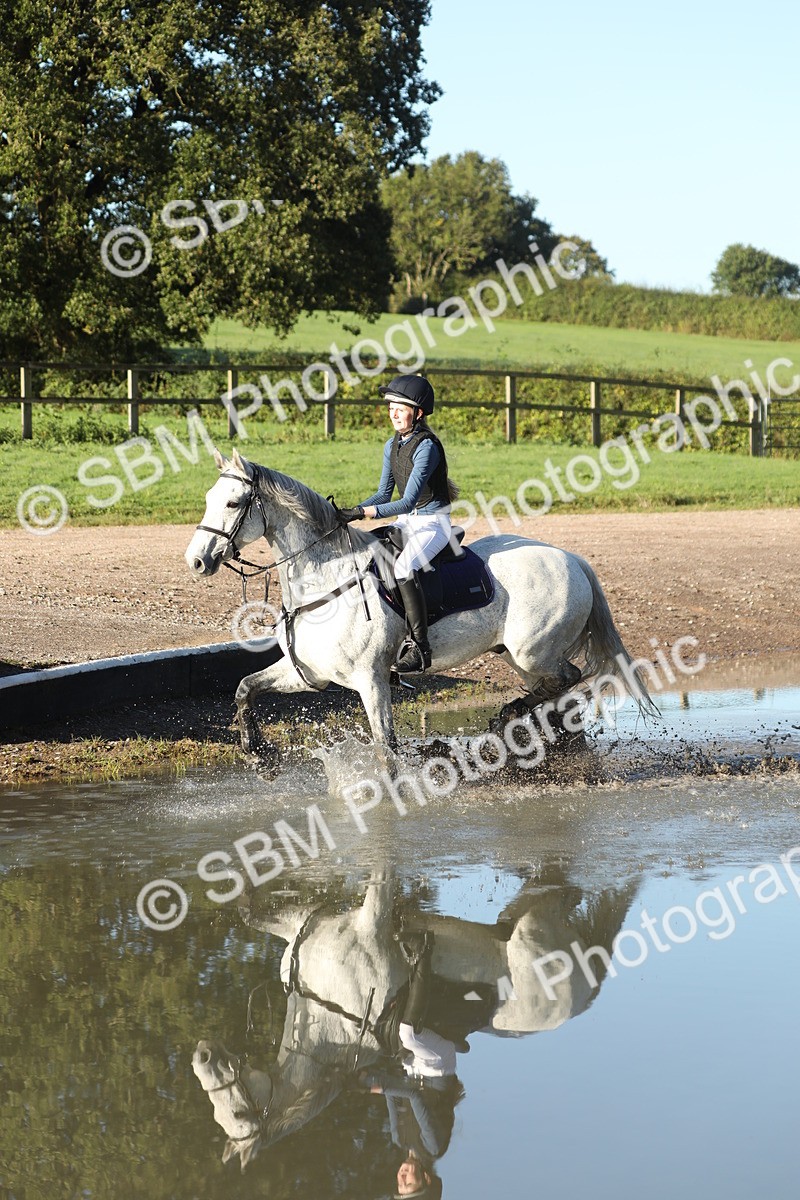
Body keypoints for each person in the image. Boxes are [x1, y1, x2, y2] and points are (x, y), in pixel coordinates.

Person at [338, 374, 455, 672]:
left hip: (432, 525)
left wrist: (363, 515)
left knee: (404, 568)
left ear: (418, 413)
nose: (393, 412)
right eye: (391, 406)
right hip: (407, 522)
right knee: (372, 552)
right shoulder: (392, 446)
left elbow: (407, 501)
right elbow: (382, 494)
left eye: (400, 408)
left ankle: (420, 647)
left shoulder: (427, 447)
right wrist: (351, 510)